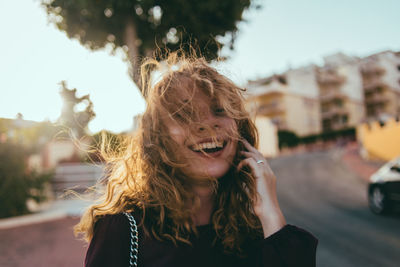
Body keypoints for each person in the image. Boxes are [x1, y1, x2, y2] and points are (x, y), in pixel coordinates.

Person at [75, 53, 318, 267]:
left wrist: (270, 213)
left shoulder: (255, 230)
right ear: (158, 141)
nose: (206, 123)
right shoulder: (122, 231)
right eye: (184, 114)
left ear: (240, 129)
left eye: (219, 110)